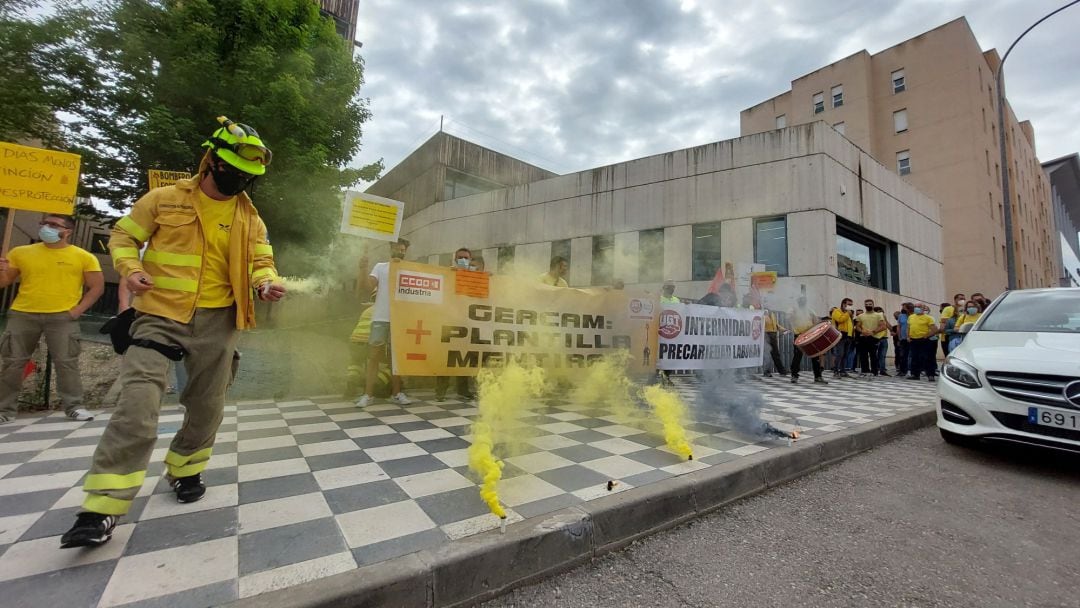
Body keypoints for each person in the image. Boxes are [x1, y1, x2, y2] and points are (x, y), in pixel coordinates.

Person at [61, 117, 285, 548]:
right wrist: (131, 269)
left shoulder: (250, 219)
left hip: (217, 322)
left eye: (248, 177)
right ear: (213, 162)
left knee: (206, 406)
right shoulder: (164, 199)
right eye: (235, 172)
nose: (240, 181)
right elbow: (124, 237)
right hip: (158, 315)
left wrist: (265, 283)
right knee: (137, 404)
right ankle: (101, 508)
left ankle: (185, 469)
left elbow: (262, 261)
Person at [0, 214, 104, 424]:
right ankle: (4, 409)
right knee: (13, 363)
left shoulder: (84, 256)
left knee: (67, 363)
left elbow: (97, 287)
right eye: (44, 223)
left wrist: (77, 311)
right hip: (22, 314)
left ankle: (74, 406)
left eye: (54, 225)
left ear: (68, 231)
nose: (47, 227)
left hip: (62, 317)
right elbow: (4, 282)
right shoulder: (20, 252)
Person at [355, 238, 413, 408]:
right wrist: (363, 268)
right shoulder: (380, 267)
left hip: (400, 320)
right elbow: (367, 287)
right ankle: (368, 395)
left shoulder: (411, 269)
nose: (400, 251)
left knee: (397, 359)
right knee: (373, 357)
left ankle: (396, 393)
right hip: (380, 318)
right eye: (397, 248)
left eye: (403, 249)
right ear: (391, 249)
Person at [435, 248, 475, 401]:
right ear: (455, 259)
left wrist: (488, 277)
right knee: (445, 355)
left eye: (465, 258)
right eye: (460, 258)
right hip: (448, 320)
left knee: (464, 356)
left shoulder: (475, 276)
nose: (463, 260)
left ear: (470, 260)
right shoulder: (448, 274)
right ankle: (441, 390)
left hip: (467, 321)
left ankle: (462, 389)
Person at [788, 296, 826, 384]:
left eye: (804, 300)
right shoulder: (793, 310)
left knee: (815, 356)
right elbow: (790, 318)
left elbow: (815, 321)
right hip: (799, 336)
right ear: (798, 302)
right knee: (797, 357)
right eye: (800, 300)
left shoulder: (810, 310)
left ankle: (818, 376)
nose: (802, 302)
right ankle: (794, 376)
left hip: (811, 335)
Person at [906, 304, 939, 381]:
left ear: (923, 308)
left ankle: (930, 375)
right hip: (913, 340)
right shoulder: (911, 317)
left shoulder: (928, 318)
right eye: (915, 307)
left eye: (919, 307)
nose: (917, 308)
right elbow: (908, 327)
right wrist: (907, 336)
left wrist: (927, 336)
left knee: (927, 357)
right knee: (914, 357)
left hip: (924, 340)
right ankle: (915, 374)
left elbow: (934, 330)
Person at [854, 299, 885, 376]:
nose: (868, 305)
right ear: (864, 305)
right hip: (863, 337)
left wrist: (873, 332)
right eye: (866, 304)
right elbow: (857, 327)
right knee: (863, 355)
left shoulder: (879, 315)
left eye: (870, 304)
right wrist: (862, 331)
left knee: (873, 355)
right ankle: (865, 371)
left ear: (873, 305)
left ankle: (874, 371)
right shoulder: (861, 316)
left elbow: (883, 326)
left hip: (873, 337)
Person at [761, 304, 787, 377]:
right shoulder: (762, 313)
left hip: (773, 335)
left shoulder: (772, 314)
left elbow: (775, 325)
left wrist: (783, 329)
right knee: (767, 354)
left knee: (775, 354)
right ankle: (766, 371)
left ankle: (781, 371)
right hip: (766, 335)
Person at [830, 298, 854, 378]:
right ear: (843, 304)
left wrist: (851, 335)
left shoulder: (848, 313)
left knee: (845, 354)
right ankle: (836, 371)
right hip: (840, 335)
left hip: (848, 335)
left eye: (851, 305)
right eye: (848, 304)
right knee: (839, 354)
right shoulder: (836, 311)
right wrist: (848, 313)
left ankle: (843, 371)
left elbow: (850, 324)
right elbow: (840, 320)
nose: (850, 306)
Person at [873, 306, 891, 376]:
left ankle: (882, 370)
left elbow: (889, 326)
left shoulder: (884, 319)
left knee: (882, 355)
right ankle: (875, 369)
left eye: (882, 311)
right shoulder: (874, 318)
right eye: (879, 311)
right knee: (875, 355)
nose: (881, 313)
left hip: (884, 338)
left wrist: (886, 320)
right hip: (876, 338)